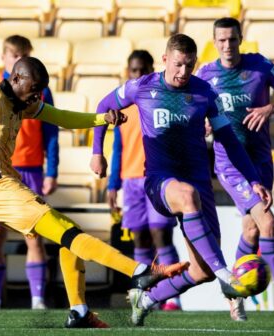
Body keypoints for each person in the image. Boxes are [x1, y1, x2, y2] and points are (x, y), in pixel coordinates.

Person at [0, 57, 189, 328]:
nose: (37, 96)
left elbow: (61, 117)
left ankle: (78, 312)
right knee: (68, 232)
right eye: (34, 89)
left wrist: (102, 119)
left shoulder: (21, 103)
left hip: (3, 184)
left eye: (41, 91)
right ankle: (139, 273)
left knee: (70, 236)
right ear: (15, 78)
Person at [90, 34, 273, 327]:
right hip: (160, 181)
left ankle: (146, 299)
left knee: (202, 270)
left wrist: (253, 179)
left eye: (189, 65)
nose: (183, 72)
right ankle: (228, 276)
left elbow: (229, 139)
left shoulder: (205, 93)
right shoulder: (143, 86)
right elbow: (102, 106)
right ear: (165, 60)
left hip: (200, 185)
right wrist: (97, 152)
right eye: (177, 65)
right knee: (187, 197)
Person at [196, 17, 274, 320]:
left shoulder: (260, 66)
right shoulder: (206, 74)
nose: (227, 46)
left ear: (240, 39)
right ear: (214, 42)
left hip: (261, 160)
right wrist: (204, 123)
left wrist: (270, 107)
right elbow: (194, 113)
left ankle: (232, 293)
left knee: (251, 228)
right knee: (268, 223)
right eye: (221, 40)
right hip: (230, 163)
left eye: (232, 40)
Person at [0, 35, 58, 311]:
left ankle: (37, 299)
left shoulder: (40, 90)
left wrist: (52, 170)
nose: (18, 61)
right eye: (14, 56)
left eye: (23, 56)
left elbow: (51, 132)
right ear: (4, 58)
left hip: (30, 170)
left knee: (34, 234)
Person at [108, 50, 182, 311]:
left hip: (158, 178)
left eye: (142, 70)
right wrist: (111, 185)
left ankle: (172, 296)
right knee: (139, 239)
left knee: (161, 235)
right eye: (133, 71)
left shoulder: (162, 99)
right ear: (128, 73)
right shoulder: (123, 106)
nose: (138, 75)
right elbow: (118, 147)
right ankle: (146, 292)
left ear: (152, 69)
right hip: (130, 181)